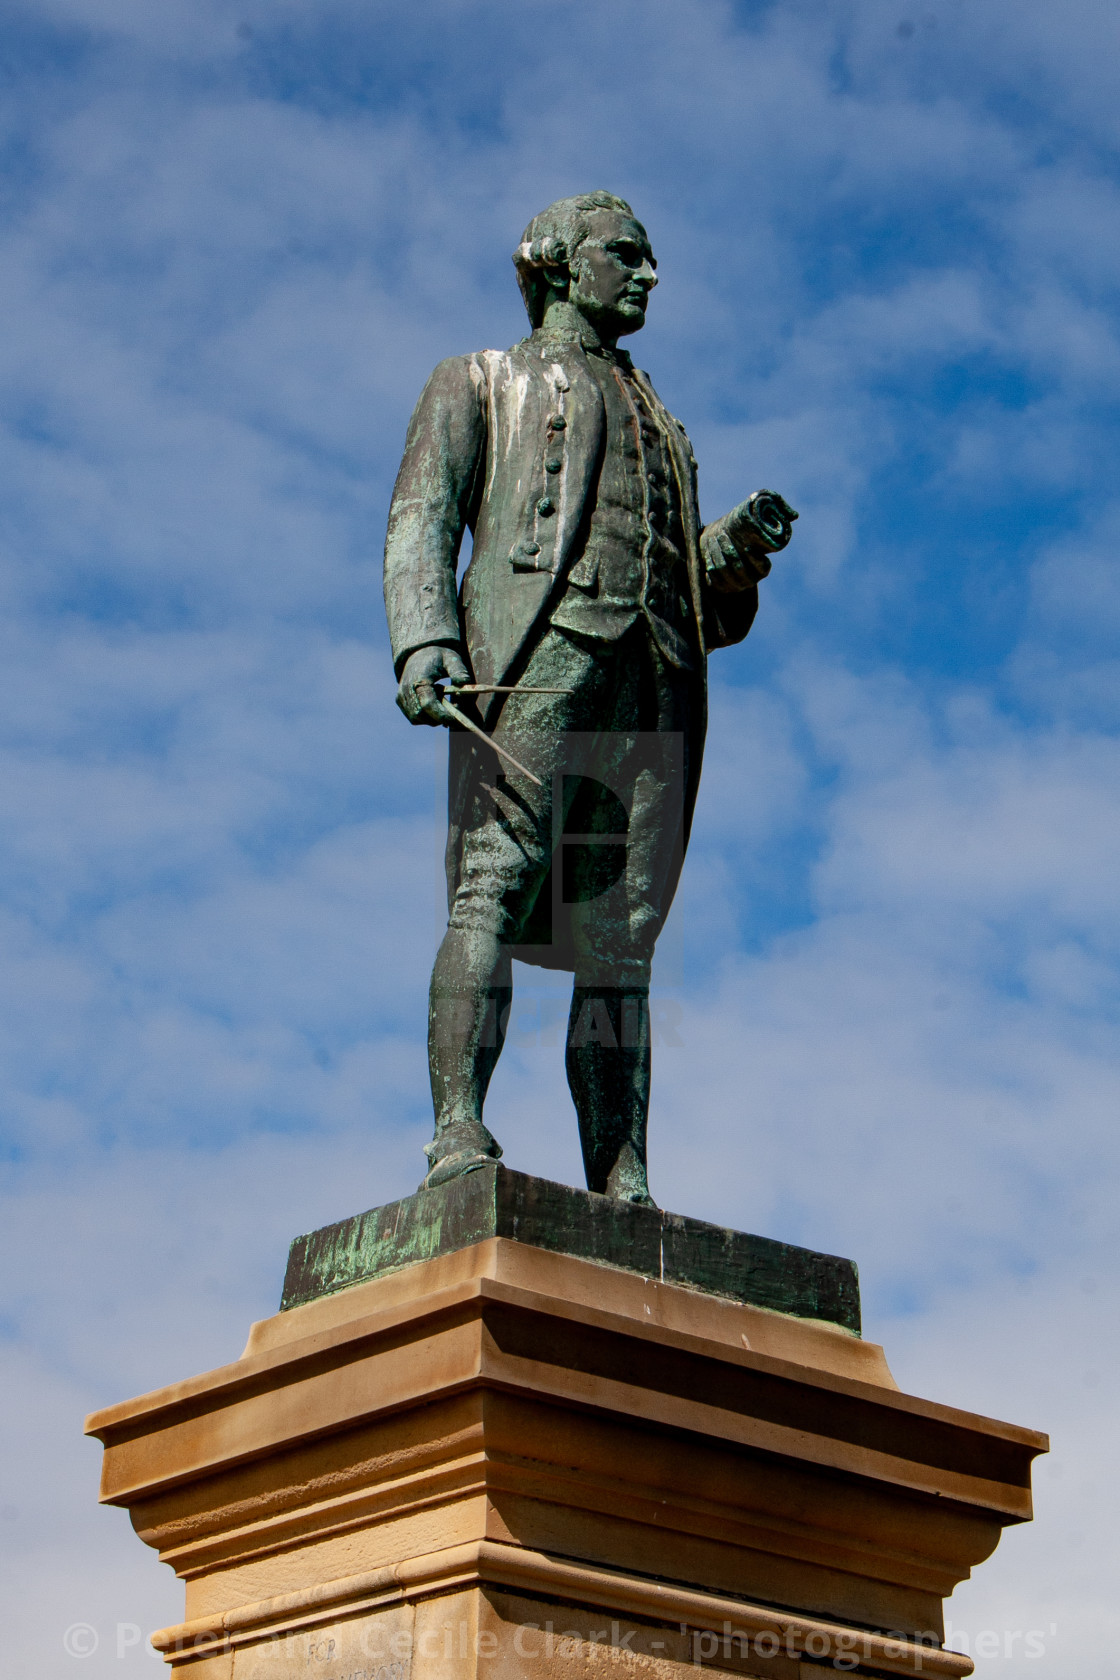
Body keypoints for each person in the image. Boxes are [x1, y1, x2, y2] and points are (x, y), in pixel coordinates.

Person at [384, 191, 792, 1203]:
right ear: (562, 264)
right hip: (534, 654)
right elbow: (422, 518)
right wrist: (424, 642)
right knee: (493, 880)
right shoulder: (477, 381)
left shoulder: (664, 418)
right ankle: (457, 1131)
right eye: (627, 255)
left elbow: (687, 583)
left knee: (621, 936)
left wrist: (729, 556)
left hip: (652, 671)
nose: (648, 276)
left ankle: (622, 1175)